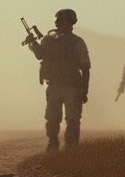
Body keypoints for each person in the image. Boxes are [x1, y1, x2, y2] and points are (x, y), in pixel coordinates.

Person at [26, 9, 90, 153]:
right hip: (54, 86)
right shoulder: (48, 40)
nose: (60, 24)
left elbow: (85, 68)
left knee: (72, 120)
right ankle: (53, 144)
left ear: (71, 23)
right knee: (52, 118)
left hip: (72, 87)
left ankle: (71, 150)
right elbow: (40, 55)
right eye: (59, 21)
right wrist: (33, 44)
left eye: (63, 21)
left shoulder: (77, 43)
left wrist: (84, 90)